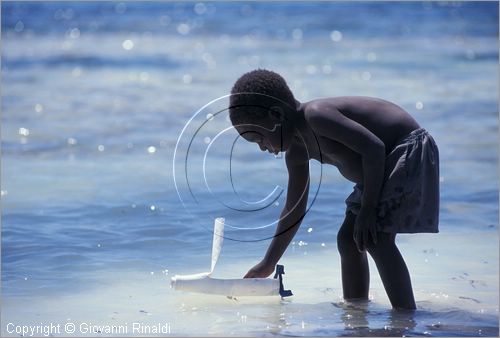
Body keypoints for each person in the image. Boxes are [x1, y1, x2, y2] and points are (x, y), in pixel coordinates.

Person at [229, 69, 439, 310]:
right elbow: (294, 209)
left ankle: (405, 318)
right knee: (348, 240)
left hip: (405, 149)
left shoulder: (317, 117)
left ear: (276, 115)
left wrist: (368, 210)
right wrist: (268, 263)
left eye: (260, 139)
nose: (263, 148)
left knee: (376, 238)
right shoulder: (296, 154)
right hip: (377, 172)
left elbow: (374, 148)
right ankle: (356, 311)